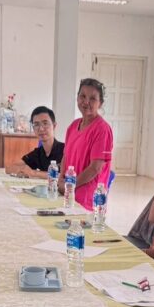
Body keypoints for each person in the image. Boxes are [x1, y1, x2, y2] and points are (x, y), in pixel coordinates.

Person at [62, 78, 113, 209]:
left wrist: (70, 185)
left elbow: (95, 168)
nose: (86, 102)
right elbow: (65, 157)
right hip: (68, 194)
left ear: (100, 103)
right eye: (83, 96)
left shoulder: (102, 129)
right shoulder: (73, 126)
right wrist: (61, 181)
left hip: (87, 200)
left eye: (93, 98)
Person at [5, 106, 64, 178]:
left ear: (54, 126)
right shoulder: (38, 153)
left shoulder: (65, 150)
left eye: (45, 123)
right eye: (36, 124)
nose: (41, 129)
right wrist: (23, 170)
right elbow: (9, 168)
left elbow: (67, 177)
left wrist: (34, 173)